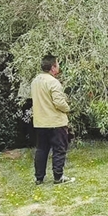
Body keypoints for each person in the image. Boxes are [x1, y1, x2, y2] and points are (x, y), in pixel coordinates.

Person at [31, 54, 75, 185]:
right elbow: (59, 102)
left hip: (40, 122)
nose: (59, 67)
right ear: (53, 67)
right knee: (59, 149)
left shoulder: (35, 82)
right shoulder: (53, 82)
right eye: (58, 64)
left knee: (41, 149)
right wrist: (68, 108)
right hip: (55, 122)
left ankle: (39, 177)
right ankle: (58, 176)